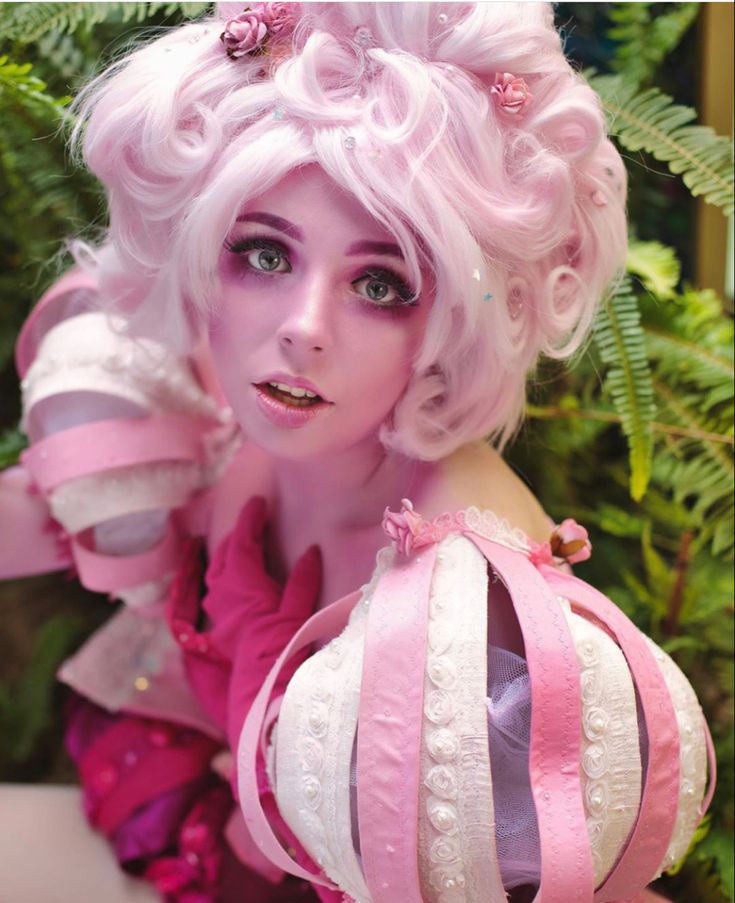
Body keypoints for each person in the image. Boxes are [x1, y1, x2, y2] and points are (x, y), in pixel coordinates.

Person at [0, 4, 713, 902]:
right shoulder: (229, 418)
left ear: (456, 313)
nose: (301, 329)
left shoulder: (475, 583)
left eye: (380, 283)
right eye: (262, 255)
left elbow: (539, 870)